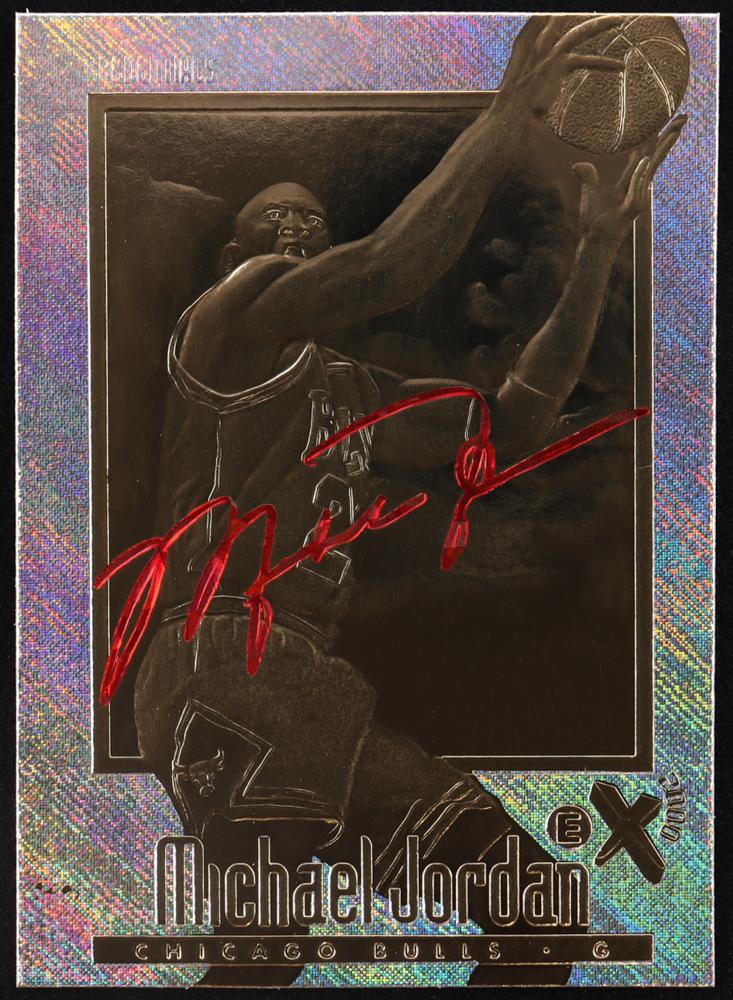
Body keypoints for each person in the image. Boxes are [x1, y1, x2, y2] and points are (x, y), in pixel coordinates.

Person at [130, 15, 684, 987]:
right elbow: (389, 263)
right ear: (231, 257)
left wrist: (599, 244)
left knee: (538, 917)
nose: (297, 229)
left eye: (312, 221)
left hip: (308, 682)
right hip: (221, 658)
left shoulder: (348, 391)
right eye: (274, 220)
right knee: (263, 953)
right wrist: (509, 114)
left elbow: (511, 421)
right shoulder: (225, 328)